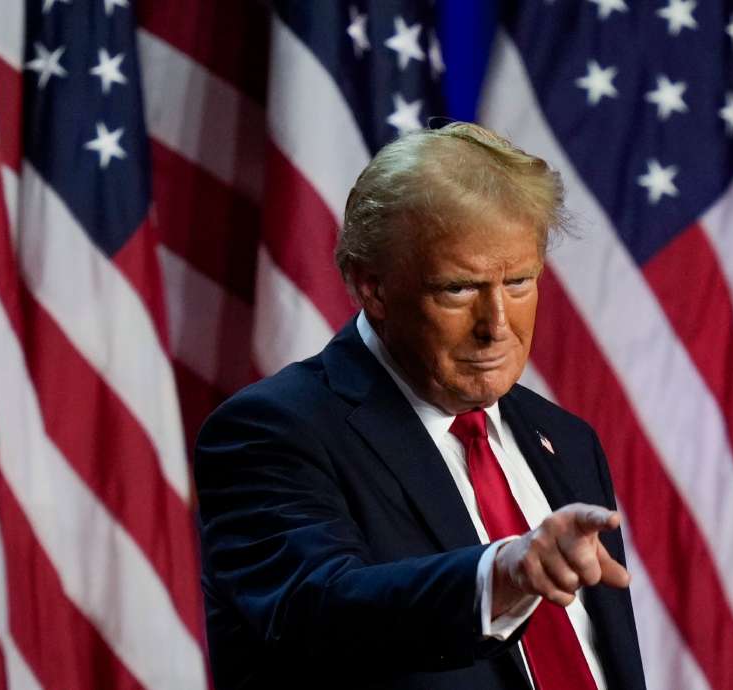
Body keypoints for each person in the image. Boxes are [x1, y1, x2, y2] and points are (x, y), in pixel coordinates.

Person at [195, 123, 645, 689]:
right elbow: (322, 612)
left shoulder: (566, 439)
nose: (497, 326)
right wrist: (499, 575)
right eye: (458, 288)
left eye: (520, 282)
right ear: (372, 288)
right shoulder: (271, 431)